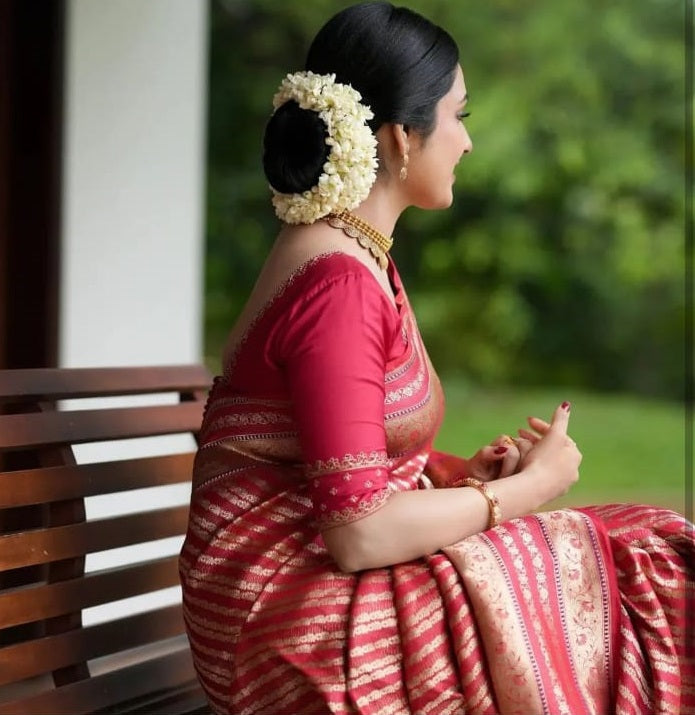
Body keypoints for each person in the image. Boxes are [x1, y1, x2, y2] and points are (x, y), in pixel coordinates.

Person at [180, 3, 694, 713]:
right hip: (294, 625)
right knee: (646, 575)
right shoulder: (337, 283)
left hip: (300, 591)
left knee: (642, 547)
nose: (466, 143)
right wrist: (522, 492)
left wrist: (460, 479)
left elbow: (342, 465)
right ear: (399, 136)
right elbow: (358, 532)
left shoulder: (351, 253)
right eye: (458, 116)